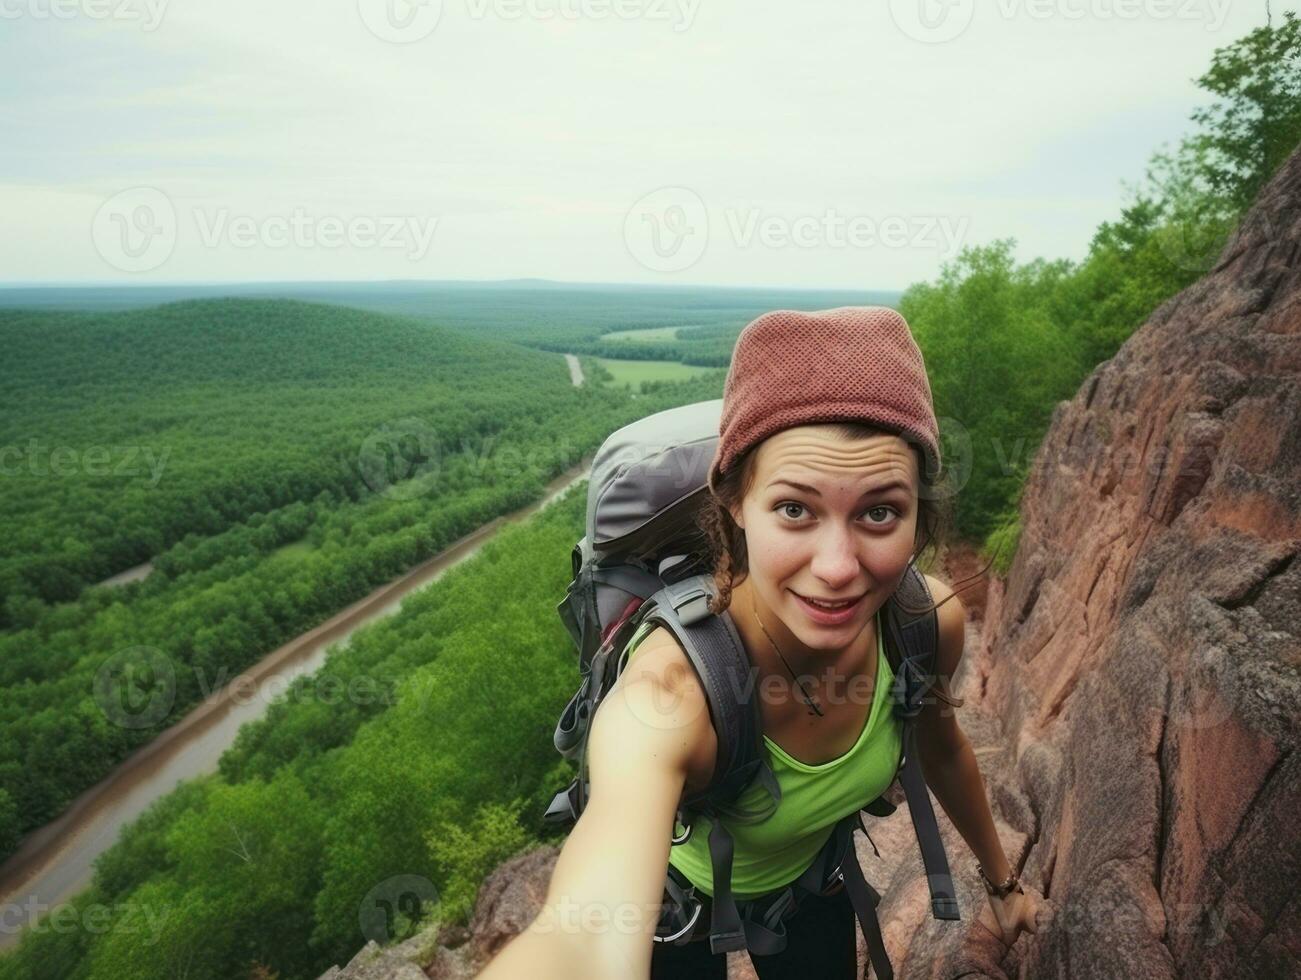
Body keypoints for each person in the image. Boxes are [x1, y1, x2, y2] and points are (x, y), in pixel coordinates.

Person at [479, 307, 1040, 979]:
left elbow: (940, 745)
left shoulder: (925, 623)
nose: (836, 567)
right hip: (675, 914)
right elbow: (583, 937)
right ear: (734, 503)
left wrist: (1003, 888)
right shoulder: (669, 696)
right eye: (795, 509)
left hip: (813, 885)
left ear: (920, 512)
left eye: (879, 511)